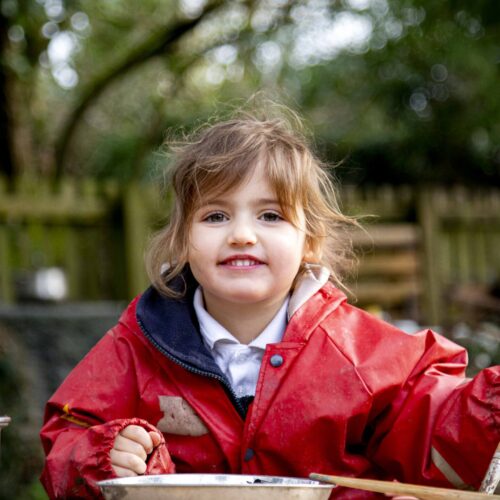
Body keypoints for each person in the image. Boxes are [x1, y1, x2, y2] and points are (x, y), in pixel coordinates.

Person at [40, 110, 499, 499]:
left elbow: (435, 421)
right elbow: (68, 435)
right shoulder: (139, 343)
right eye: (216, 215)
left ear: (310, 241)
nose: (242, 234)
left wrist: (489, 412)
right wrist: (104, 454)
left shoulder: (359, 352)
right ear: (181, 240)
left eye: (270, 215)